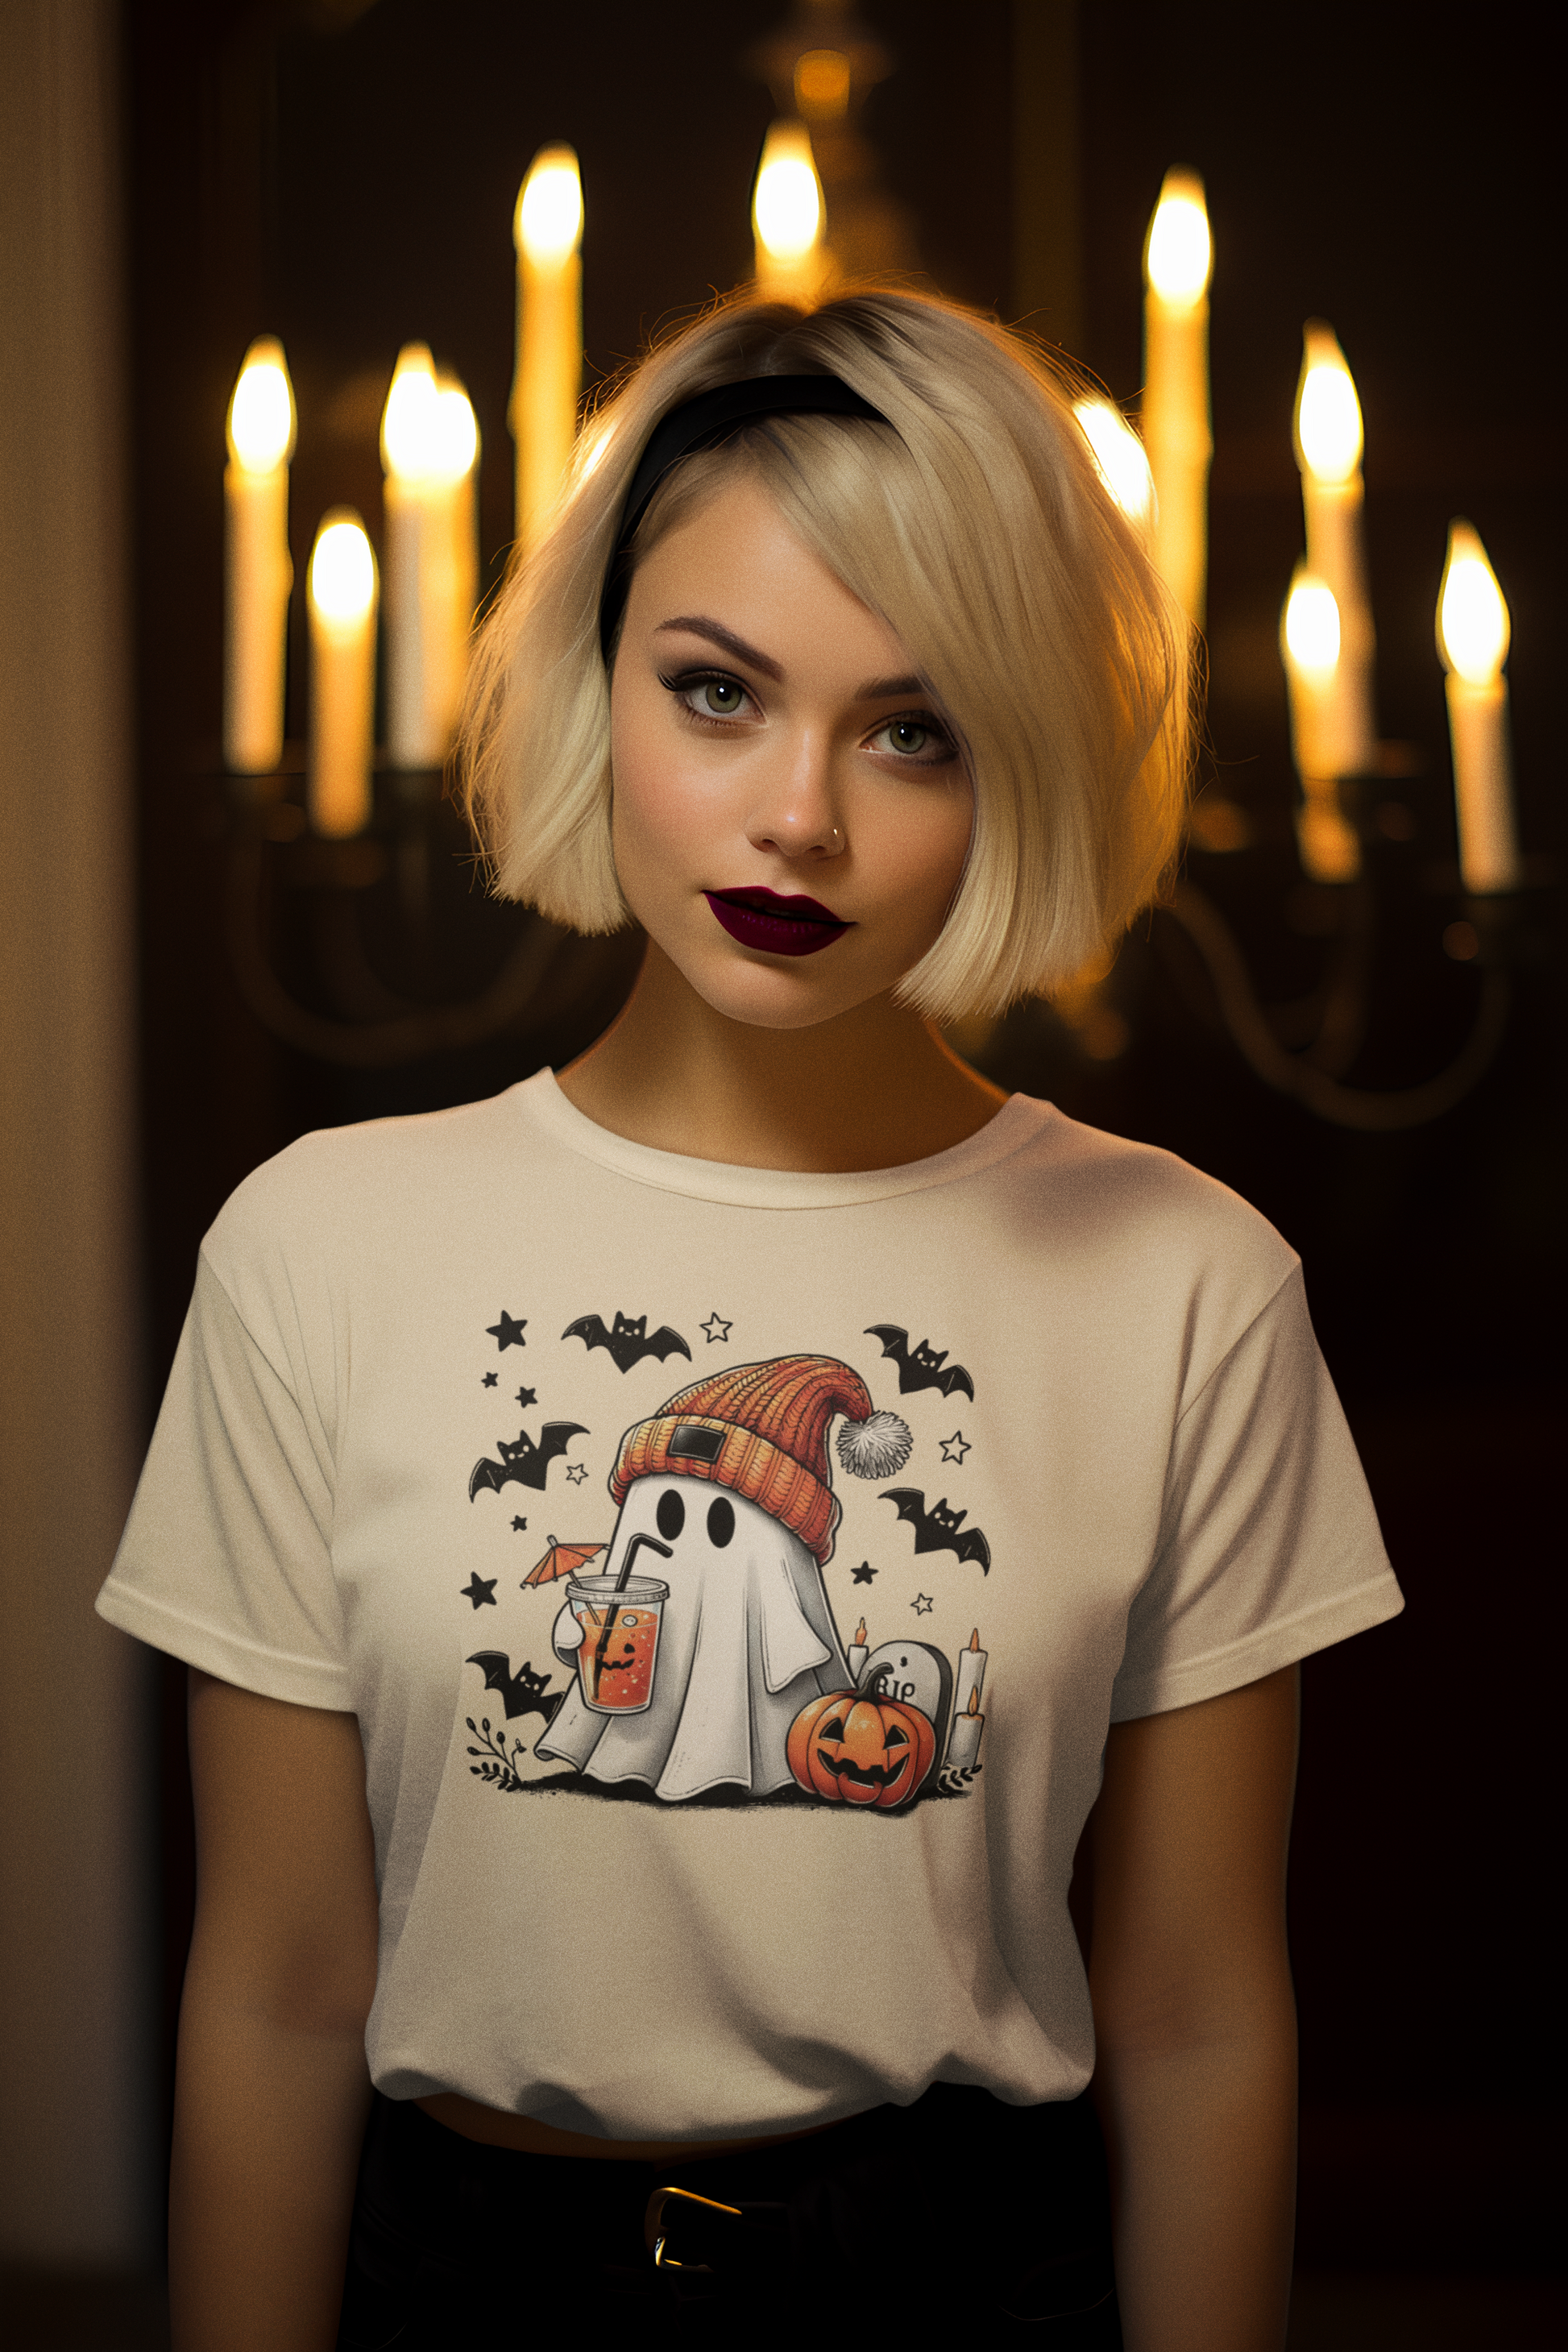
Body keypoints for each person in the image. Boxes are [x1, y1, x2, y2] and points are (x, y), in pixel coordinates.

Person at [97, 285, 1404, 2351]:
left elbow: (1199, 2017)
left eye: (912, 727)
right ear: (592, 683)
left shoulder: (1187, 1280)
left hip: (974, 2281)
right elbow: (270, 1993)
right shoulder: (316, 1246)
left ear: (1022, 762)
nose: (801, 812)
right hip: (461, 2282)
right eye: (717, 692)